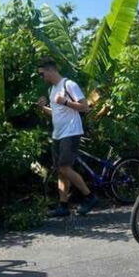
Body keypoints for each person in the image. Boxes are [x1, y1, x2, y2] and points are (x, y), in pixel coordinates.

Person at [36, 59, 98, 217]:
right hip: (58, 134)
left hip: (71, 132)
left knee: (64, 167)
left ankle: (90, 197)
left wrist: (65, 101)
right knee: (60, 171)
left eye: (42, 74)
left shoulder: (68, 85)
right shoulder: (52, 90)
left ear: (50, 70)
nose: (42, 77)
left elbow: (85, 107)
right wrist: (43, 108)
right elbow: (56, 113)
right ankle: (63, 206)